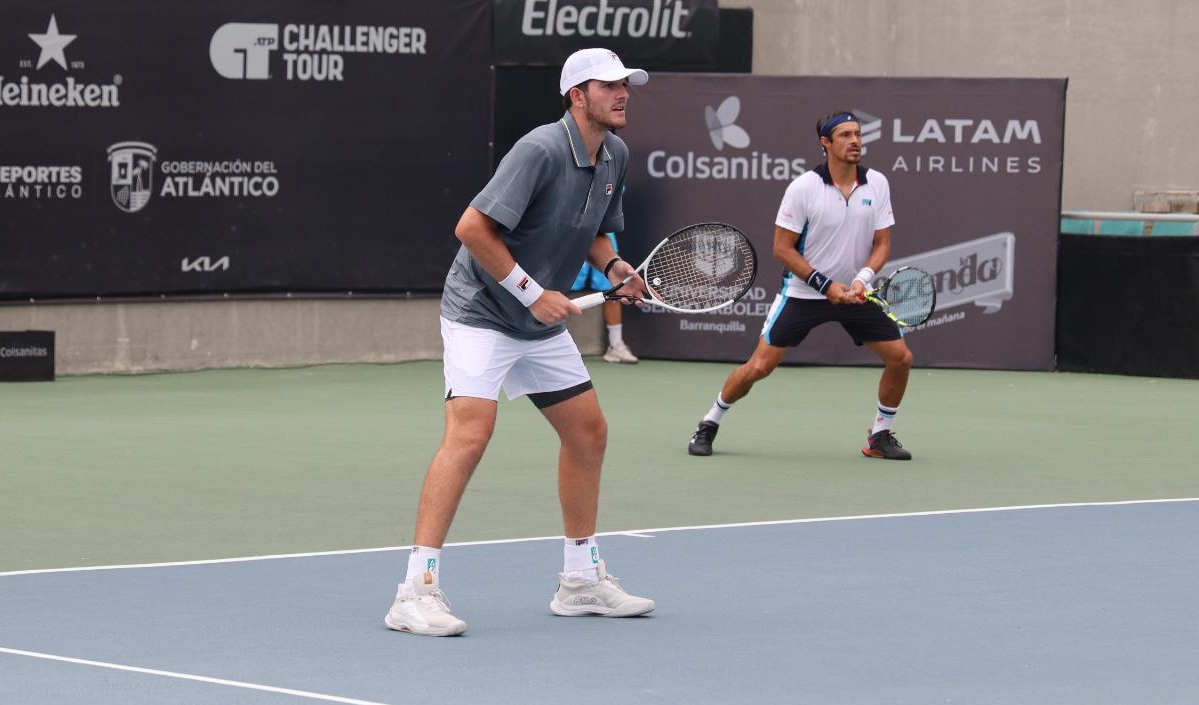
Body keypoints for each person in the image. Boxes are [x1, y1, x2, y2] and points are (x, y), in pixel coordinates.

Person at [384, 48, 656, 637]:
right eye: (608, 86)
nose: (622, 93)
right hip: (480, 311)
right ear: (576, 96)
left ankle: (581, 581)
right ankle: (415, 590)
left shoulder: (616, 155)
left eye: (624, 84)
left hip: (535, 323)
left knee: (587, 432)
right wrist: (531, 291)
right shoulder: (539, 148)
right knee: (471, 434)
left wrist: (614, 270)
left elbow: (597, 236)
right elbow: (471, 228)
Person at [687, 110, 915, 461]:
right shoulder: (803, 188)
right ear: (826, 143)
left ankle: (880, 436)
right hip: (804, 293)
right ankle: (709, 422)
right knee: (759, 367)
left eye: (858, 134)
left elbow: (882, 243)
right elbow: (782, 248)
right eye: (845, 135)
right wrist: (825, 285)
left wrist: (861, 279)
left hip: (856, 293)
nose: (855, 141)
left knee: (900, 358)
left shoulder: (878, 183)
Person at [569, 228, 639, 364]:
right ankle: (542, 342)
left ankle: (616, 345)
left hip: (601, 232)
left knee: (612, 288)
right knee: (555, 285)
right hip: (565, 230)